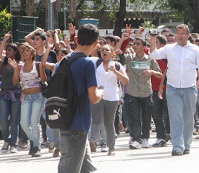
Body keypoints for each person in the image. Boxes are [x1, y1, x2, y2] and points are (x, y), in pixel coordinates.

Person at [149, 24, 199, 156]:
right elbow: (154, 54)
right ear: (175, 35)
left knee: (188, 118)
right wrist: (153, 39)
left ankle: (186, 144)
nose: (180, 36)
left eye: (183, 34)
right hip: (172, 88)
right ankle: (177, 146)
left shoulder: (195, 50)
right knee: (175, 117)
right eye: (178, 34)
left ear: (188, 35)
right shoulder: (169, 48)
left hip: (189, 87)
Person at [56, 23, 104, 173]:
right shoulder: (88, 63)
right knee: (68, 169)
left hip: (63, 118)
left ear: (76, 39)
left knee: (86, 168)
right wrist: (101, 92)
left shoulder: (62, 62)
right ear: (96, 43)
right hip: (79, 123)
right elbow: (93, 97)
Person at [116, 29, 162, 150]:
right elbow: (116, 52)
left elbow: (160, 74)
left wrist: (152, 72)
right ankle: (136, 139)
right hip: (132, 93)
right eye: (133, 44)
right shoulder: (130, 58)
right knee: (135, 117)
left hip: (147, 92)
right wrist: (122, 39)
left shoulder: (150, 59)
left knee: (146, 117)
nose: (134, 46)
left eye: (137, 44)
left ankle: (146, 138)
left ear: (143, 46)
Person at [88, 44, 128, 156]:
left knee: (109, 123)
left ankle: (111, 148)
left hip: (112, 97)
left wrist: (115, 71)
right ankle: (92, 141)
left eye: (107, 50)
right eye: (102, 50)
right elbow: (84, 57)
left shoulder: (117, 65)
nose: (104, 52)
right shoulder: (96, 63)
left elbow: (125, 81)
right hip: (98, 95)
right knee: (96, 119)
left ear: (112, 53)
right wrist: (94, 48)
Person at [9, 43, 46, 157]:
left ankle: (36, 147)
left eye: (27, 50)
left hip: (38, 96)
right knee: (24, 123)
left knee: (34, 122)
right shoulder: (20, 66)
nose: (24, 52)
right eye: (23, 51)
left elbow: (44, 80)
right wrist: (15, 69)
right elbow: (15, 82)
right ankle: (34, 141)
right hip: (25, 96)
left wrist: (41, 69)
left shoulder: (37, 64)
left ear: (32, 53)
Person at [0, 32, 22, 153]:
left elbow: (15, 82)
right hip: (4, 93)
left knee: (14, 120)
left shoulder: (19, 65)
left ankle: (13, 144)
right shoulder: (3, 63)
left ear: (15, 52)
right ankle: (7, 140)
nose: (7, 52)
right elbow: (0, 53)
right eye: (6, 50)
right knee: (3, 120)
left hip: (16, 93)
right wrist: (4, 41)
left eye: (9, 50)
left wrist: (15, 69)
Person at [151, 35, 170, 147]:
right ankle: (160, 136)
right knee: (156, 114)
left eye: (156, 42)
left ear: (162, 46)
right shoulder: (150, 57)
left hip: (166, 89)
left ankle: (170, 134)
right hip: (153, 89)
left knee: (168, 114)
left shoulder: (167, 58)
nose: (153, 44)